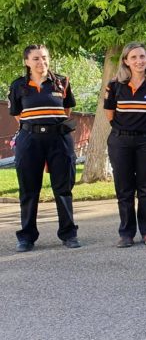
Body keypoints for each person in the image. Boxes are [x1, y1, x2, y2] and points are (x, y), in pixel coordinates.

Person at [9, 44, 80, 252]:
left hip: (59, 139)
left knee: (63, 188)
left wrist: (52, 126)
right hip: (29, 140)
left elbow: (66, 110)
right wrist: (34, 128)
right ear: (27, 62)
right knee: (28, 189)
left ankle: (69, 234)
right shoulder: (18, 85)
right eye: (36, 58)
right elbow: (17, 114)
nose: (42, 62)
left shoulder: (61, 82)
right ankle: (27, 237)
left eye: (45, 57)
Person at [104, 42, 146, 248]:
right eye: (134, 57)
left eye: (142, 57)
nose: (139, 61)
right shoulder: (114, 86)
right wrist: (126, 130)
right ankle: (126, 233)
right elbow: (110, 115)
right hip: (120, 141)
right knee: (124, 189)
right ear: (125, 61)